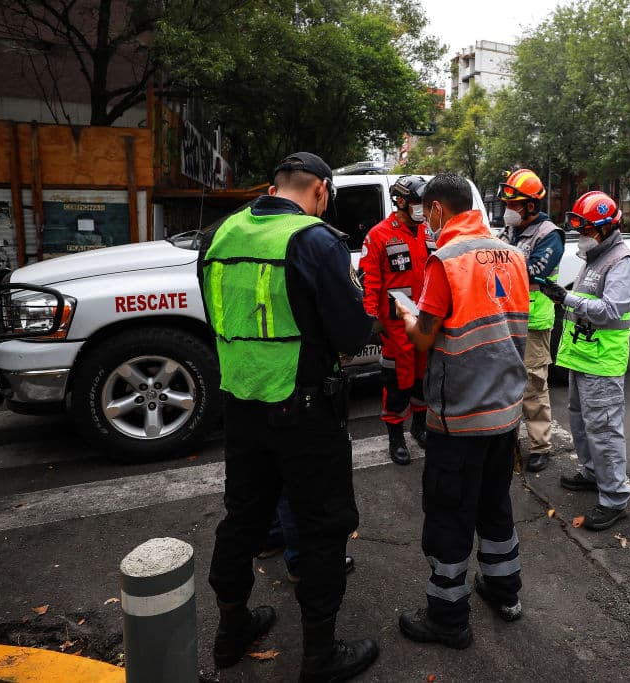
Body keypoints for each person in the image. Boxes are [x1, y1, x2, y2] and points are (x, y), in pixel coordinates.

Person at [198, 151, 379, 681]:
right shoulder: (316, 240)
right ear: (321, 190)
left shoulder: (221, 235)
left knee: (243, 520)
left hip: (242, 405)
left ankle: (231, 631)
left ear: (274, 185)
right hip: (304, 413)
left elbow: (218, 317)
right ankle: (321, 657)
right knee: (324, 529)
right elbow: (351, 334)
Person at [395, 173, 529, 649]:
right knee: (495, 505)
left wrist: (407, 315)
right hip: (505, 410)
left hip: (460, 416)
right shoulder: (513, 254)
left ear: (435, 210)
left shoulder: (445, 259)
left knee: (450, 515)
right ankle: (504, 591)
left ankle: (449, 618)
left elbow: (426, 336)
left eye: (426, 212)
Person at [538, 191, 630, 532]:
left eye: (587, 229)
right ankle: (592, 472)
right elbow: (586, 300)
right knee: (581, 422)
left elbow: (612, 309)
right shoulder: (593, 257)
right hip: (582, 356)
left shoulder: (621, 261)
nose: (581, 235)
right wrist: (561, 295)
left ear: (607, 228)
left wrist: (567, 298)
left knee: (605, 430)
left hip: (602, 361)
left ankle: (614, 499)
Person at [359, 175, 435, 465]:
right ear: (401, 202)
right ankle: (395, 437)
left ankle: (419, 427)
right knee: (396, 384)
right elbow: (371, 283)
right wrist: (368, 319)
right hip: (395, 329)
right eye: (418, 203)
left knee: (421, 381)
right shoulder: (379, 235)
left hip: (426, 323)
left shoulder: (429, 233)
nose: (422, 209)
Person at [496, 168, 565, 472]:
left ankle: (540, 445)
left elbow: (532, 269)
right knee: (506, 381)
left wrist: (501, 259)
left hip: (534, 321)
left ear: (532, 205)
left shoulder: (549, 235)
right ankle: (507, 435)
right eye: (508, 204)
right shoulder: (510, 231)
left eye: (515, 204)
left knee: (534, 386)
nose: (508, 210)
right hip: (506, 317)